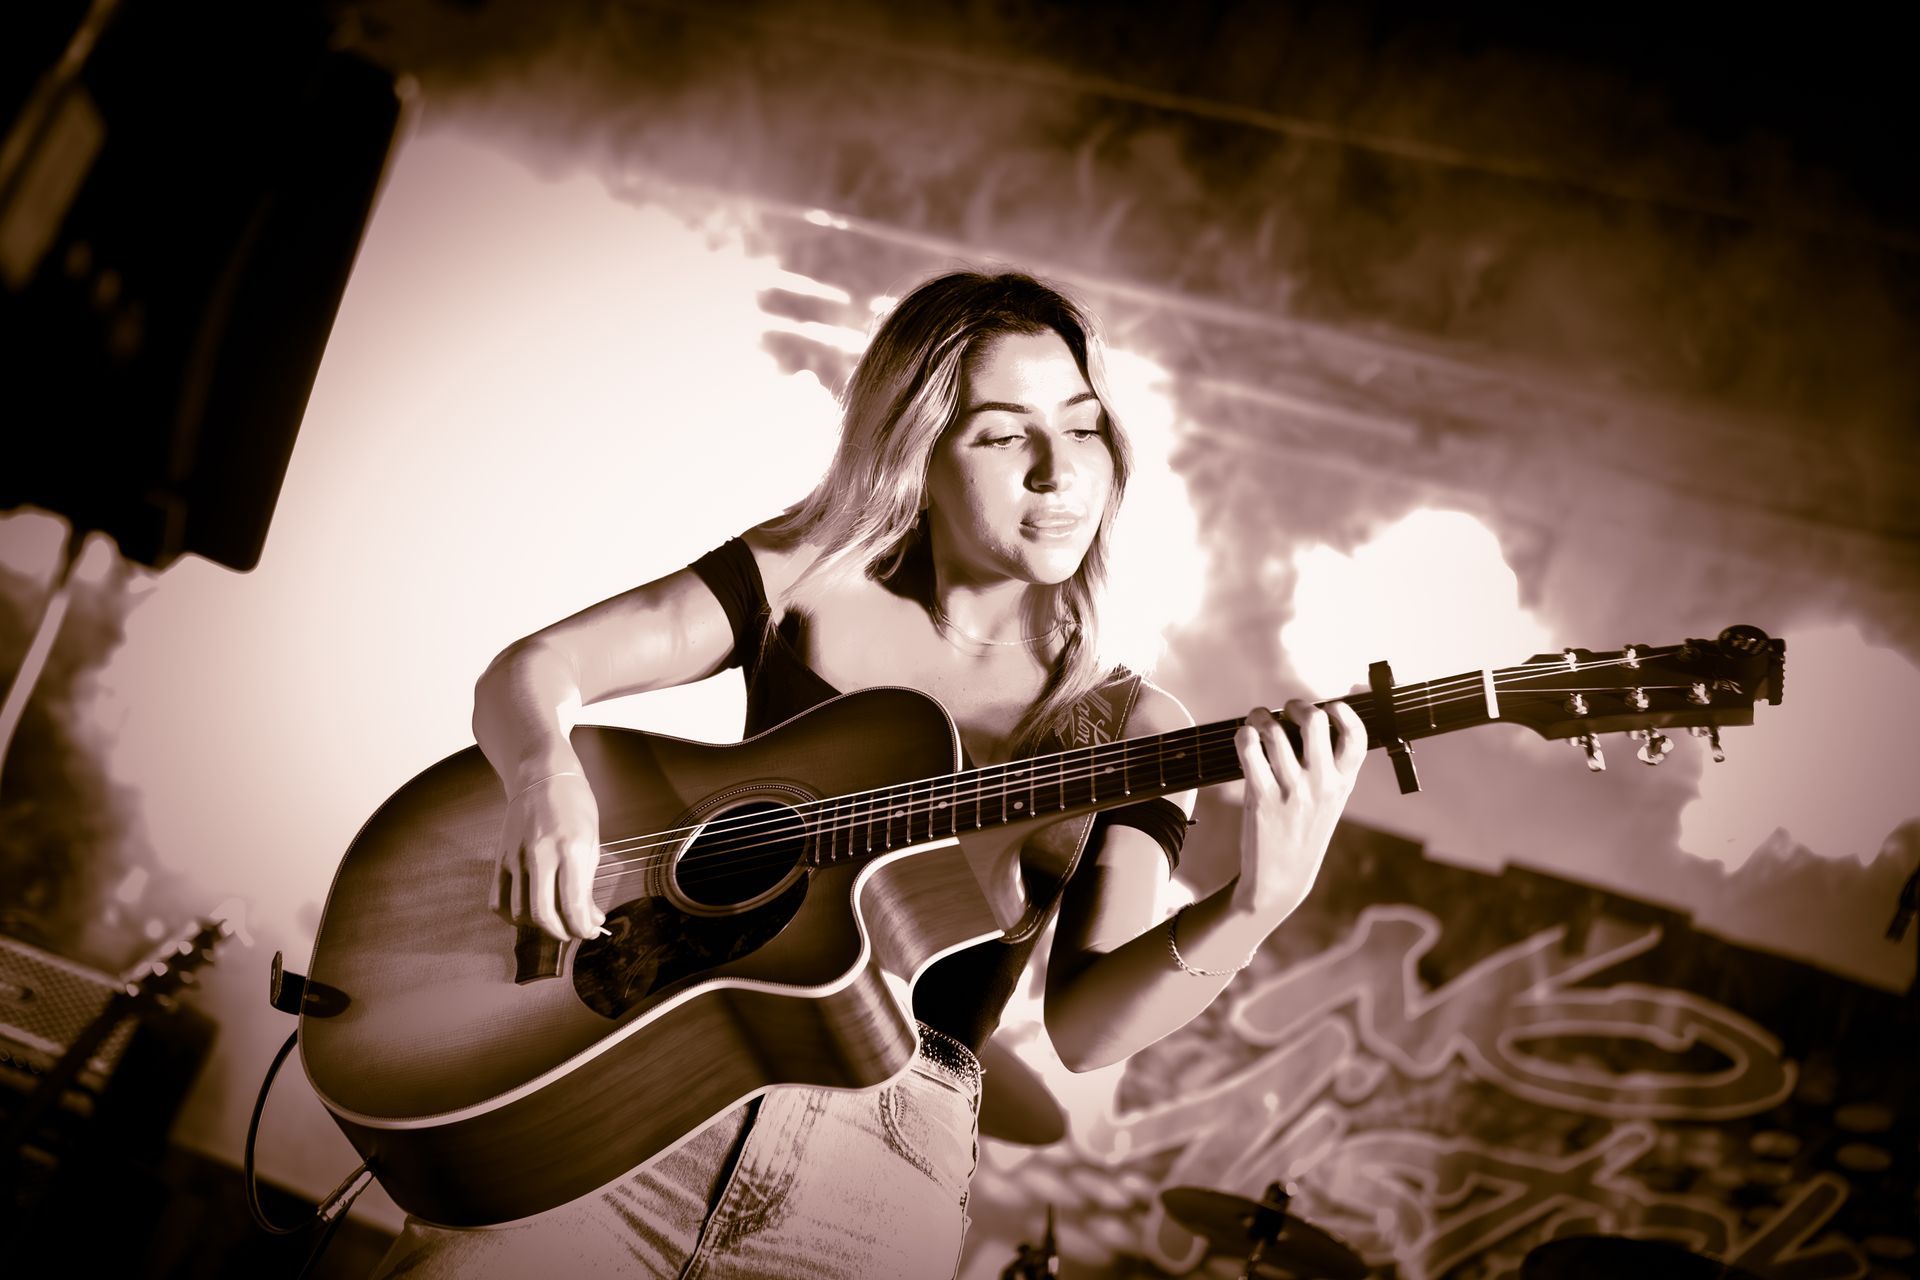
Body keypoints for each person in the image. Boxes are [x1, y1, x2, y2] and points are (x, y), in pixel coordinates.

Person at [369, 270, 1366, 1278]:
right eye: (1002, 433)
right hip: (635, 1071)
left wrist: (1255, 908)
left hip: (874, 1170)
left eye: (1083, 425)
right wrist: (545, 773)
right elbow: (533, 670)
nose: (1058, 471)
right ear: (919, 449)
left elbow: (1088, 1026)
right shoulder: (807, 573)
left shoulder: (1133, 724)